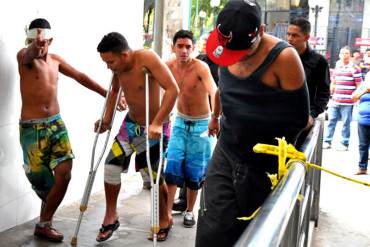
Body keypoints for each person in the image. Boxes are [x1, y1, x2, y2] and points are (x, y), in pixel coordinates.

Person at [195, 1, 309, 246]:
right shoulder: (222, 45)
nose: (238, 57)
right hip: (226, 151)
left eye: (244, 49)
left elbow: (299, 118)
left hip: (262, 164)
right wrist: (215, 117)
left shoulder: (284, 58)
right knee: (211, 230)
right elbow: (222, 88)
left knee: (252, 232)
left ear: (261, 30)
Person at [17, 18, 110, 242]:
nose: (39, 46)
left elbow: (80, 76)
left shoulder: (55, 60)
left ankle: (44, 223)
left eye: (43, 42)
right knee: (43, 183)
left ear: (51, 40)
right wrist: (33, 46)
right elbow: (28, 53)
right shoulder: (24, 58)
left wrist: (107, 95)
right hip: (33, 130)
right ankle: (45, 223)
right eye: (33, 41)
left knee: (64, 173)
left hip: (56, 125)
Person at [95, 32, 179, 242]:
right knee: (111, 166)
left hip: (154, 128)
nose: (108, 66)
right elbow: (114, 92)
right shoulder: (118, 68)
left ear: (124, 55)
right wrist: (105, 121)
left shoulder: (147, 58)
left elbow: (172, 89)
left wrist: (158, 122)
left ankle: (165, 218)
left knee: (153, 176)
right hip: (130, 127)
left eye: (110, 61)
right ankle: (111, 217)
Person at [164, 30, 217, 228]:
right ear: (173, 47)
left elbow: (214, 91)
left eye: (188, 47)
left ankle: (189, 211)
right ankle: (166, 213)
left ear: (193, 48)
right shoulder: (168, 66)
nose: (184, 51)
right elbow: (150, 81)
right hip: (179, 122)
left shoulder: (201, 68)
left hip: (201, 125)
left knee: (194, 171)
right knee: (173, 165)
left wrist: (215, 118)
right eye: (180, 46)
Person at [287, 18, 330, 147]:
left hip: (303, 123)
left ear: (306, 37)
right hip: (278, 119)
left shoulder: (319, 61)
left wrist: (312, 114)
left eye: (295, 35)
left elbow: (324, 93)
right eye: (288, 34)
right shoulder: (281, 57)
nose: (289, 39)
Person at [323, 46, 362, 151]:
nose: (344, 55)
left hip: (348, 102)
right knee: (331, 121)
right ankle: (327, 141)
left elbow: (359, 86)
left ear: (350, 55)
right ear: (339, 55)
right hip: (335, 100)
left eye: (346, 53)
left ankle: (344, 143)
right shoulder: (337, 67)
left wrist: (357, 98)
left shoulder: (355, 69)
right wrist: (330, 95)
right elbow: (334, 82)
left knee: (346, 124)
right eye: (342, 53)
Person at [351, 71, 370, 175]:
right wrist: (365, 91)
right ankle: (362, 168)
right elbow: (353, 97)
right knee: (363, 145)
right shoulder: (363, 87)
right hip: (363, 120)